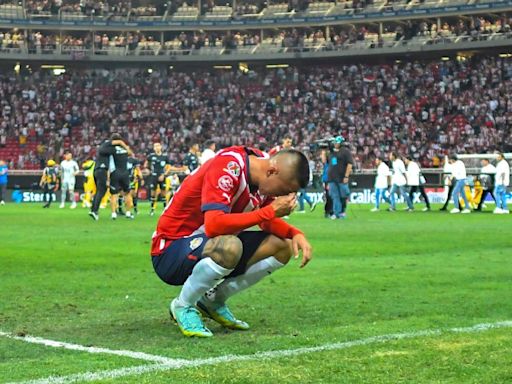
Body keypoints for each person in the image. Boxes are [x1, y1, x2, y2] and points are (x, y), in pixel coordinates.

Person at [151, 146, 312, 338]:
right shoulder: (228, 166)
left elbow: (265, 220)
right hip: (172, 250)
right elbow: (213, 225)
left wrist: (295, 233)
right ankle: (183, 305)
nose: (283, 197)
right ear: (272, 172)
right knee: (230, 246)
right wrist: (269, 211)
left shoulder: (261, 171)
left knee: (282, 246)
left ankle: (212, 301)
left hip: (209, 245)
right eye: (285, 190)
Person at [89, 136, 131, 221]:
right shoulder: (108, 145)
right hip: (103, 170)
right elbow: (121, 145)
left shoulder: (107, 150)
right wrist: (123, 145)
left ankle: (94, 209)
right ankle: (94, 211)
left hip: (96, 170)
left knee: (100, 190)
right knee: (102, 190)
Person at [147, 143, 185, 216]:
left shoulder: (164, 157)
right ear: (154, 148)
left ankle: (165, 209)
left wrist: (164, 174)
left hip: (162, 176)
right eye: (155, 146)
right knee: (153, 193)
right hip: (154, 176)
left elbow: (169, 167)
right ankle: (152, 210)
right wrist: (149, 170)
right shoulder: (151, 156)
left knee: (163, 193)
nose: (157, 147)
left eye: (158, 146)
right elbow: (147, 164)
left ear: (161, 147)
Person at [321, 136, 353, 219]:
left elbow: (349, 164)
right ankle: (336, 213)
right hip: (331, 178)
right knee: (335, 196)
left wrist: (346, 176)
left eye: (337, 142)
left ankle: (342, 211)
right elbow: (324, 161)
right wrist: (324, 150)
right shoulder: (332, 153)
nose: (335, 144)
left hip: (341, 177)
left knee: (344, 194)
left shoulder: (345, 152)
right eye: (334, 142)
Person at [108, 134, 135, 220]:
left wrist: (108, 178)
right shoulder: (124, 149)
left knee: (114, 195)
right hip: (125, 173)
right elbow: (131, 153)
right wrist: (124, 145)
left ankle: (113, 214)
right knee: (127, 193)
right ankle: (128, 212)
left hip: (115, 173)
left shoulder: (110, 149)